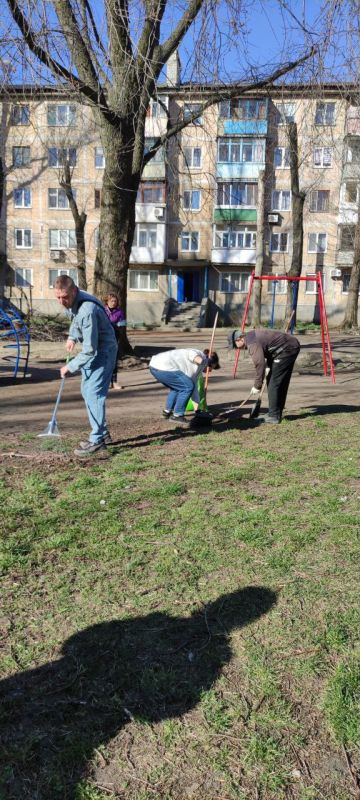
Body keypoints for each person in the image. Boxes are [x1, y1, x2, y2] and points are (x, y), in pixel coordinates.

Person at [54, 276, 118, 455]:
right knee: (87, 390)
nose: (61, 301)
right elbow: (75, 320)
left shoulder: (87, 310)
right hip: (97, 350)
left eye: (64, 297)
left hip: (103, 352)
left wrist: (70, 367)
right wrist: (72, 337)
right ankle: (103, 433)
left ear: (74, 291)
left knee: (93, 393)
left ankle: (97, 440)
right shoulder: (77, 300)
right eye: (58, 297)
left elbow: (89, 350)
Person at [228, 328, 300, 424]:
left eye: (235, 345)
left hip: (287, 349)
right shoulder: (251, 337)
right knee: (277, 381)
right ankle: (276, 412)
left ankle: (274, 416)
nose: (237, 348)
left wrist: (257, 385)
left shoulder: (251, 343)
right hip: (285, 348)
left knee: (274, 382)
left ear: (240, 338)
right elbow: (267, 347)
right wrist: (269, 365)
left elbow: (259, 363)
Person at [149, 347, 220, 424]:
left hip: (155, 367)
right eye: (211, 367)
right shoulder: (198, 354)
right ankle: (177, 415)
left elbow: (194, 390)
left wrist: (198, 410)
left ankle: (167, 412)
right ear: (209, 360)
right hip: (163, 365)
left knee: (177, 388)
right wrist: (205, 361)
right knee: (187, 387)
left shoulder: (197, 370)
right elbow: (192, 356)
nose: (210, 371)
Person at [103, 293, 126, 389]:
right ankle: (107, 381)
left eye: (115, 301)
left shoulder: (120, 312)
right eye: (111, 301)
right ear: (107, 301)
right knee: (105, 361)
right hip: (103, 339)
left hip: (115, 339)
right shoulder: (102, 311)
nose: (113, 303)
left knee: (114, 361)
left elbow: (122, 326)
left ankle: (115, 381)